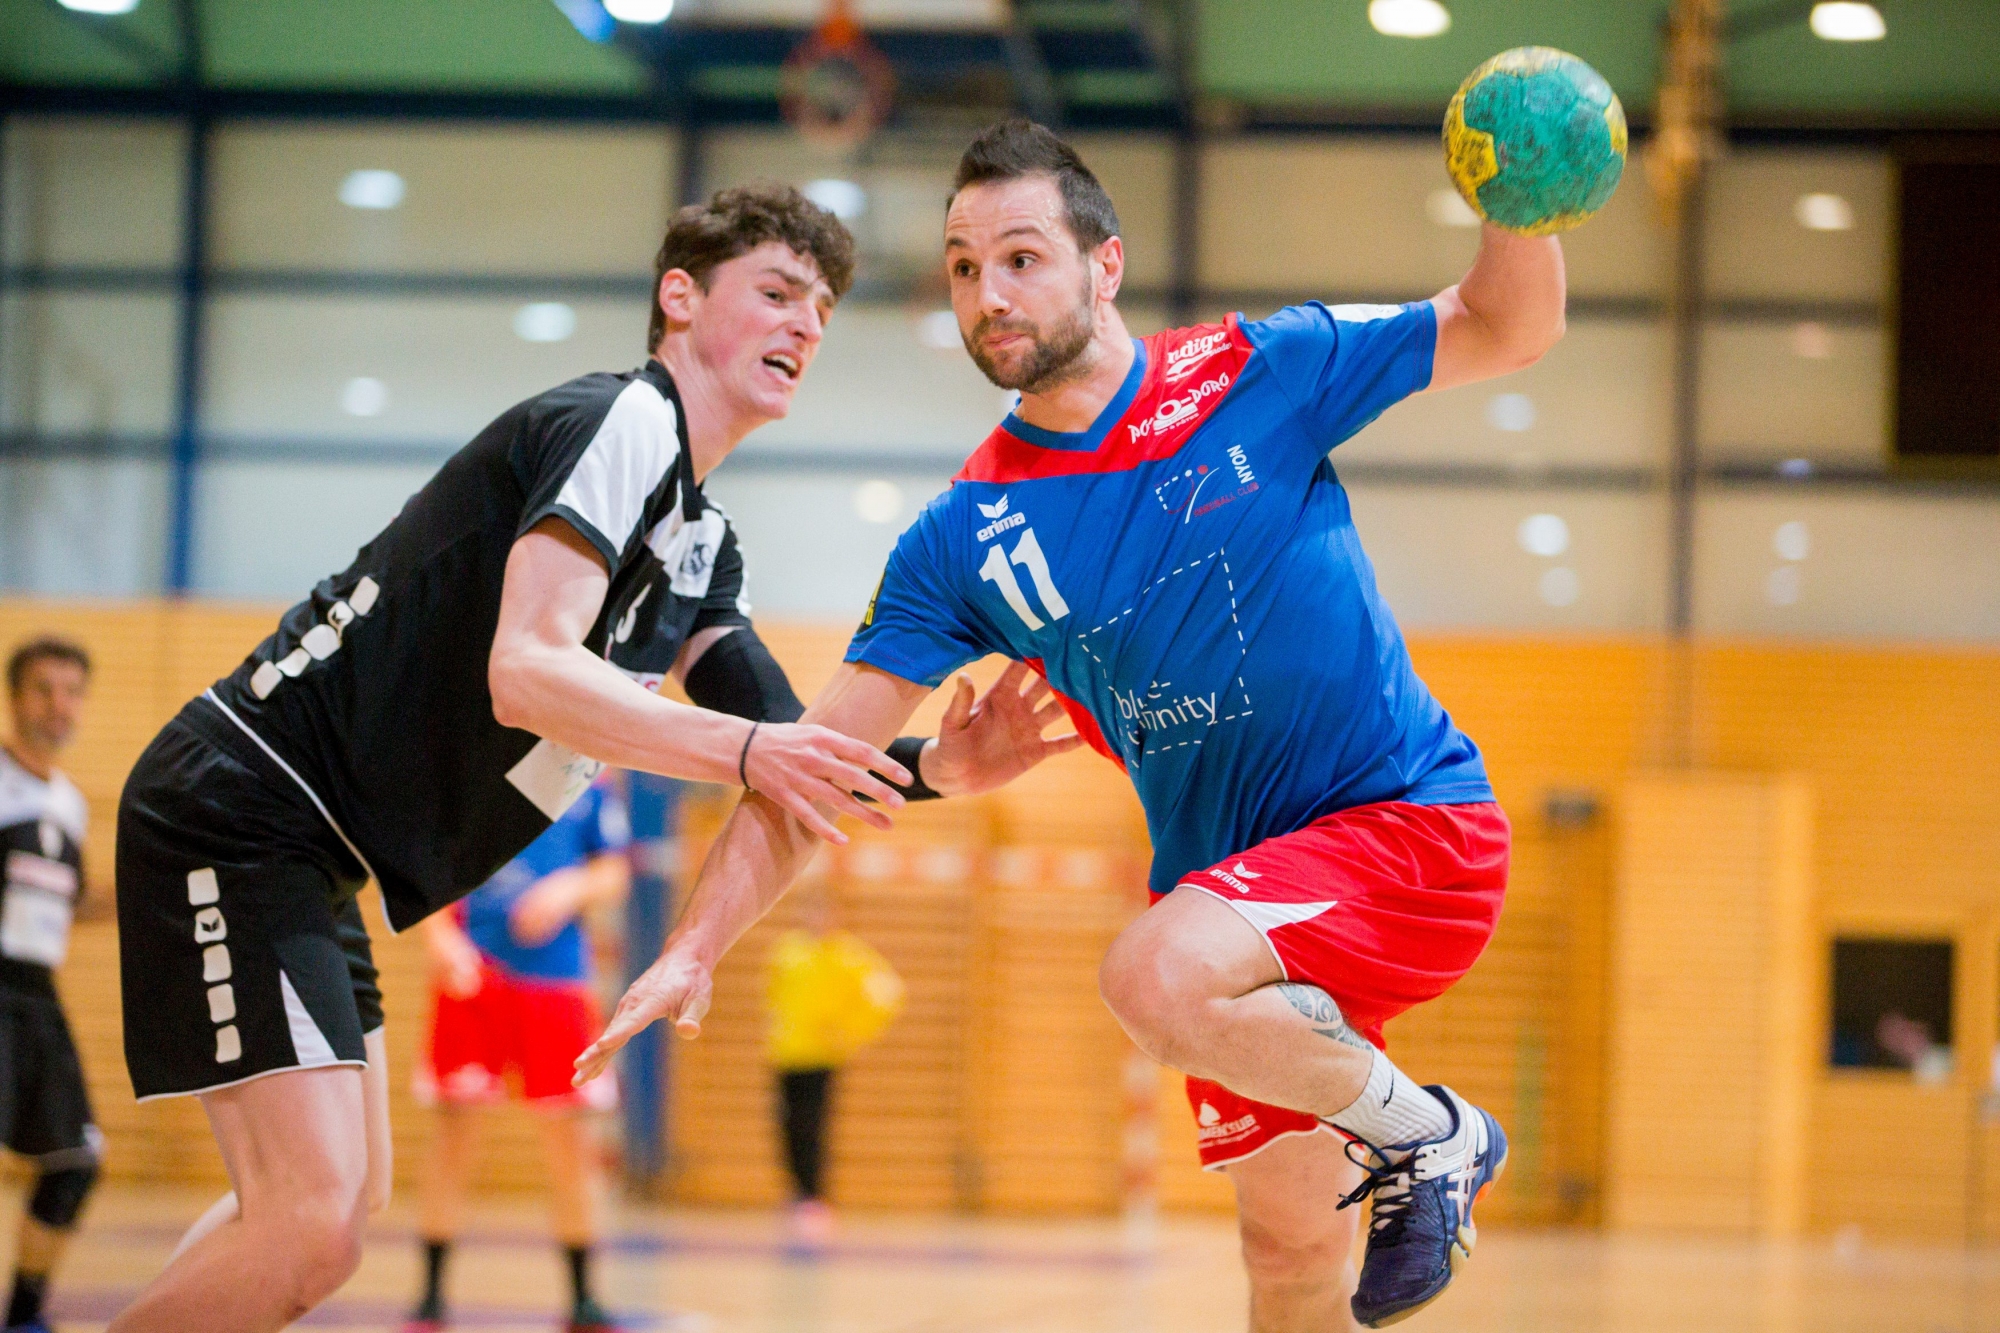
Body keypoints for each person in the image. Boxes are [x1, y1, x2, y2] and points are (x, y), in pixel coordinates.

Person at [579, 120, 1572, 1330]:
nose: (986, 294)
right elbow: (813, 769)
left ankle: (1435, 1134)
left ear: (1104, 265)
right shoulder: (960, 537)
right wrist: (695, 945)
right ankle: (1410, 1131)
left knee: (1146, 971)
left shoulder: (1258, 369)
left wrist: (1524, 199)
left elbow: (1501, 325)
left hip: (1403, 828)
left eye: (1019, 257)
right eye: (959, 268)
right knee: (1286, 1257)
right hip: (1240, 929)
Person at [109, 183, 1074, 1333]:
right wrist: (755, 750)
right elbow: (526, 668)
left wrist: (930, 769)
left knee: (331, 1212)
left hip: (317, 857)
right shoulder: (624, 422)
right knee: (307, 1218)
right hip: (242, 805)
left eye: (819, 307)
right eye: (775, 292)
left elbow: (788, 742)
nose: (806, 324)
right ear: (679, 298)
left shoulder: (702, 540)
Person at [407, 772, 633, 1333]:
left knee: (569, 1141)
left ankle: (583, 1297)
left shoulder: (590, 784)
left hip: (555, 983)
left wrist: (568, 890)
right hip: (472, 976)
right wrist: (439, 937)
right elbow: (422, 870)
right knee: (453, 1134)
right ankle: (431, 1296)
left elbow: (615, 872)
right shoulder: (465, 774)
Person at [0, 639, 102, 1333]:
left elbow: (68, 899)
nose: (59, 704)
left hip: (40, 996)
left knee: (76, 1158)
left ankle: (24, 1316)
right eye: (45, 689)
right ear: (16, 696)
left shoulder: (68, 802)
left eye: (72, 690)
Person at [765, 885, 903, 1241]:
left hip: (821, 1057)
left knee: (814, 1128)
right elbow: (776, 997)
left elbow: (887, 992)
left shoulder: (847, 955)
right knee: (787, 1128)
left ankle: (814, 1198)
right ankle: (796, 1194)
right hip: (784, 1054)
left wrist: (850, 1032)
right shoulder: (787, 950)